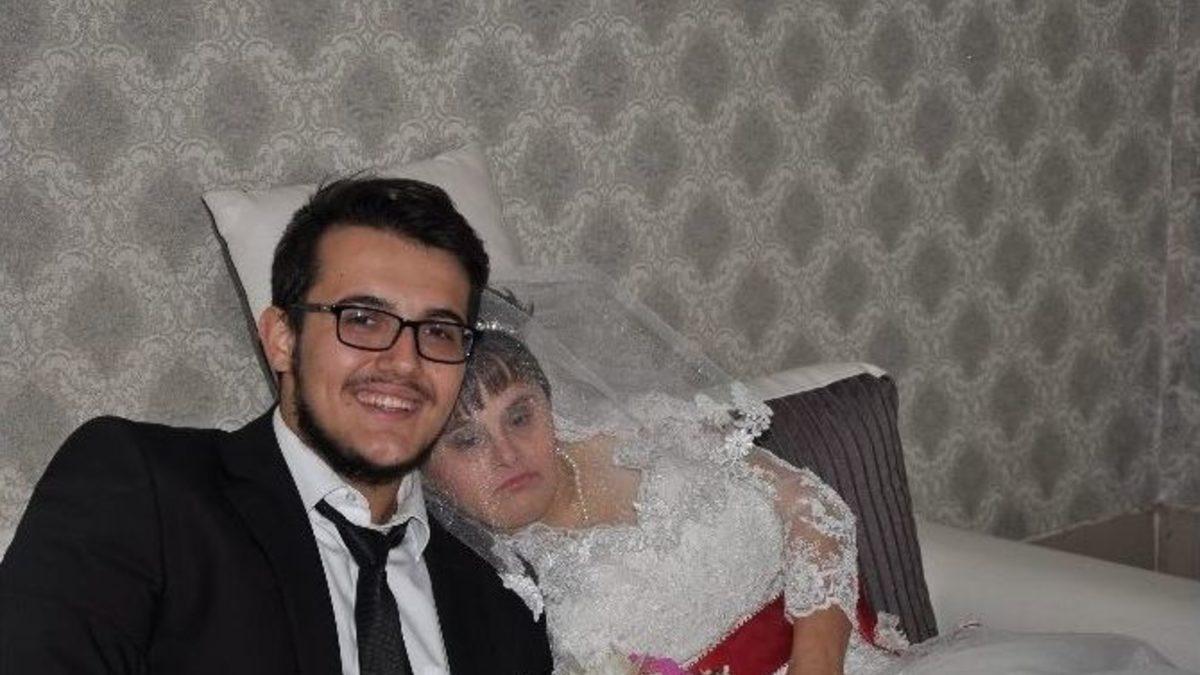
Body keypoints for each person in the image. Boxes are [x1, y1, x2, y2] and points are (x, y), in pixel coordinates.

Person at [420, 273, 1190, 675]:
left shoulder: (645, 430)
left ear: (550, 400)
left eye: (520, 414)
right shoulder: (470, 577)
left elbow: (815, 508)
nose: (507, 453)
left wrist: (817, 661)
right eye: (466, 439)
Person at [0, 178, 553, 674]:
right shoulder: (146, 493)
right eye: (362, 319)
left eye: (438, 332)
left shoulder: (502, 596)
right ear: (281, 339)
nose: (405, 363)